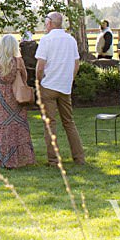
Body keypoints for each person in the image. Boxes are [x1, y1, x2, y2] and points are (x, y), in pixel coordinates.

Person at [35, 12, 86, 166]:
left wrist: (38, 82)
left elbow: (40, 66)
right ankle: (79, 158)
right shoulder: (70, 40)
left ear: (50, 23)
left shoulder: (46, 40)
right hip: (65, 86)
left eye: (45, 22)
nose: (44, 25)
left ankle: (53, 160)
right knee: (69, 122)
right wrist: (70, 79)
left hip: (49, 85)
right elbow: (76, 63)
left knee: (50, 124)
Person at [0, 34, 36, 169]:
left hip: (1, 96)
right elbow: (24, 77)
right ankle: (21, 158)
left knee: (1, 124)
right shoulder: (18, 61)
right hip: (15, 96)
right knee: (17, 124)